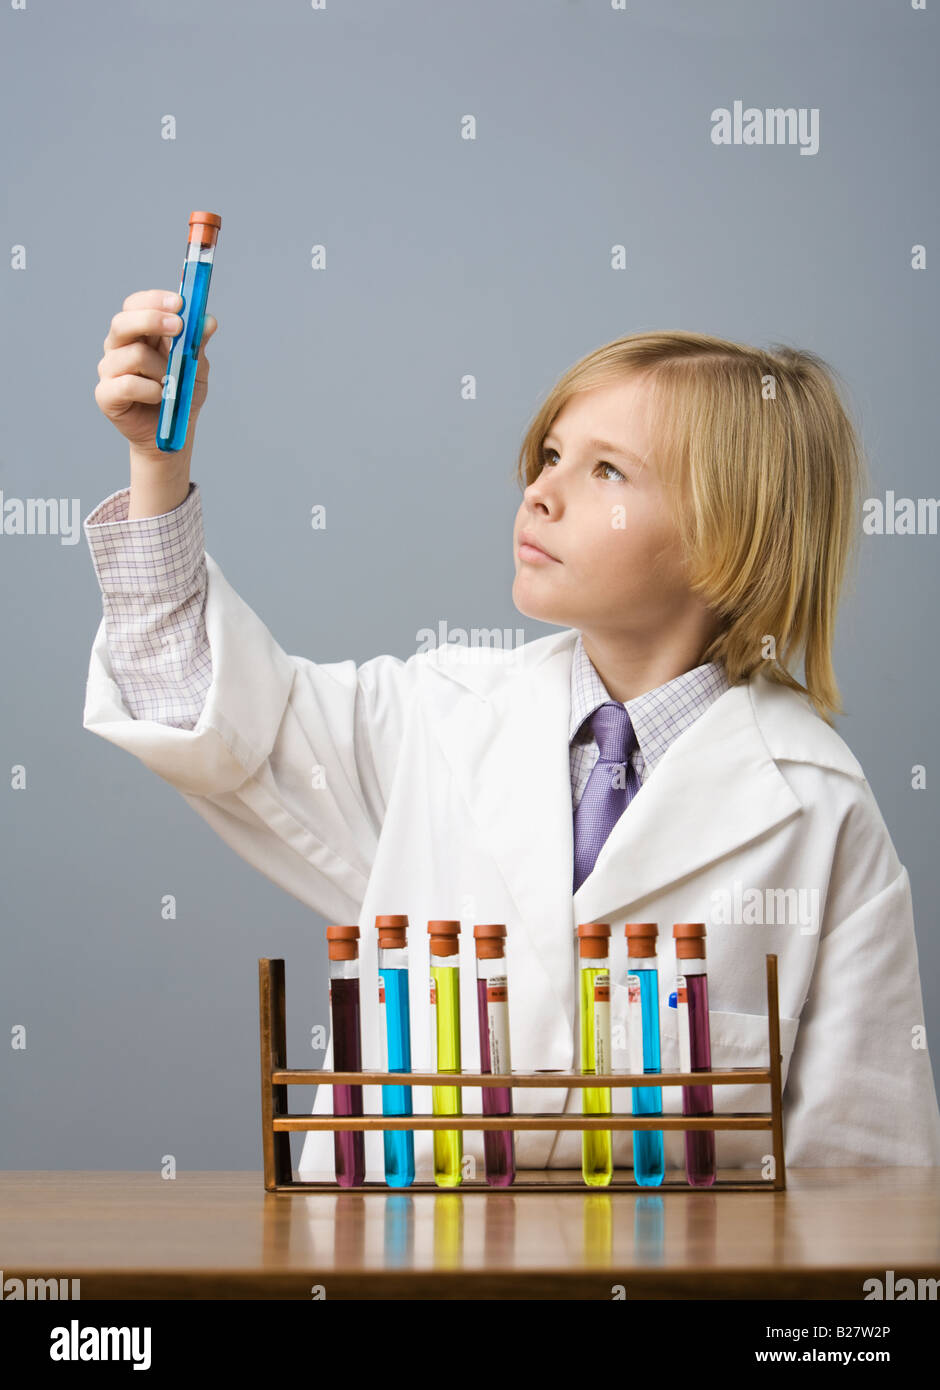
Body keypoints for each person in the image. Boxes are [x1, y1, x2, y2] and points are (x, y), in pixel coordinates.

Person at [83, 291, 940, 1182]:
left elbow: (867, 1170)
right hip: (400, 1279)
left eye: (606, 472)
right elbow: (200, 708)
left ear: (732, 535)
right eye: (553, 454)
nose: (540, 489)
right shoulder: (434, 718)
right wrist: (158, 463)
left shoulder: (818, 806)